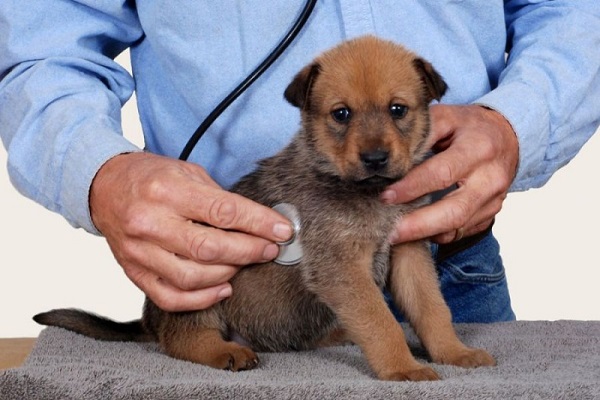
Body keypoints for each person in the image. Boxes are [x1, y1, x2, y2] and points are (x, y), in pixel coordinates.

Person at [1, 1, 599, 323]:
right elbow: (44, 48)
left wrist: (518, 121)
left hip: (449, 255)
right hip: (232, 271)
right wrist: (100, 173)